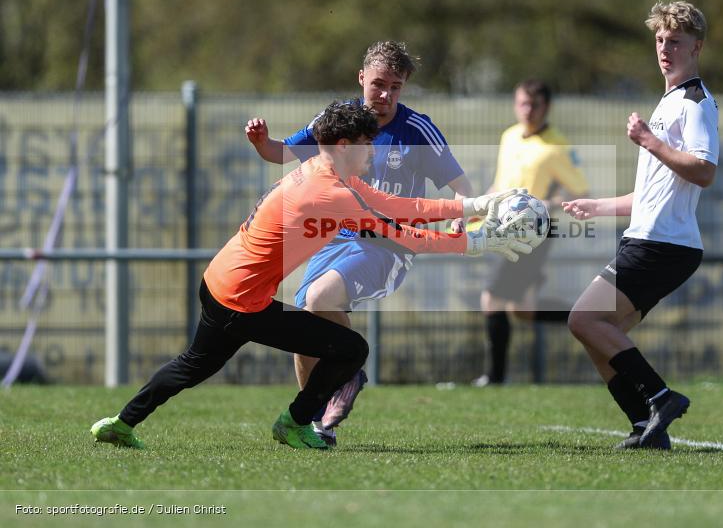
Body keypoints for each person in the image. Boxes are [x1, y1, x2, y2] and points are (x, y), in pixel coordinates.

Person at [91, 101, 530, 451]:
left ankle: (120, 423)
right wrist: (476, 243)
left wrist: (476, 207)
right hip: (241, 302)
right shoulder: (331, 192)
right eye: (365, 144)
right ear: (342, 145)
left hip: (221, 282)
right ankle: (296, 422)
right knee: (351, 349)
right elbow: (406, 236)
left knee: (193, 364)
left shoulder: (329, 175)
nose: (372, 152)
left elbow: (402, 206)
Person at [246, 41, 473, 445]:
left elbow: (462, 187)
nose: (386, 95)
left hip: (387, 245)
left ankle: (347, 371)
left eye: (396, 87)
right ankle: (313, 422)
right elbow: (283, 154)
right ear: (361, 78)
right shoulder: (337, 121)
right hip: (335, 241)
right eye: (379, 84)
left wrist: (462, 218)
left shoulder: (417, 129)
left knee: (317, 301)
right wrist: (263, 144)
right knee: (305, 320)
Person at [563, 1, 718, 449]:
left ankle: (660, 397)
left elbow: (705, 170)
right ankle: (643, 426)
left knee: (584, 319)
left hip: (662, 246)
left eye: (676, 42)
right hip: (657, 241)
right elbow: (651, 196)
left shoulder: (695, 103)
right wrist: (599, 206)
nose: (665, 49)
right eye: (660, 41)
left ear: (697, 47)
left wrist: (649, 141)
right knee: (601, 334)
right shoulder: (669, 101)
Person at [473, 79, 588, 386]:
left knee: (491, 299)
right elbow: (498, 186)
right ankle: (591, 318)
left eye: (534, 104)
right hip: (503, 229)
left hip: (532, 233)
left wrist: (539, 205)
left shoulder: (556, 146)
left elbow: (579, 191)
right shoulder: (509, 137)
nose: (527, 110)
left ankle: (494, 379)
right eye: (522, 103)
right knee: (523, 310)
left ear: (546, 107)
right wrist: (473, 212)